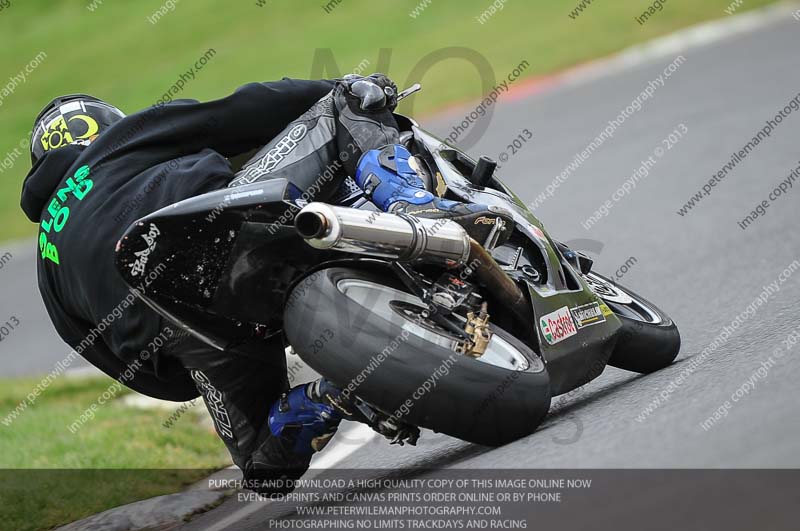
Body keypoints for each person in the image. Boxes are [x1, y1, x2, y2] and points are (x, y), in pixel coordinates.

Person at [20, 75, 513, 491]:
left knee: (263, 469)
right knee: (344, 104)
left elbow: (109, 359)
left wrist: (186, 364)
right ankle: (417, 207)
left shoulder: (46, 257)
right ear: (106, 124)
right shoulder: (124, 137)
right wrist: (345, 87)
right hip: (222, 224)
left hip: (178, 325)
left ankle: (330, 397)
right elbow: (243, 109)